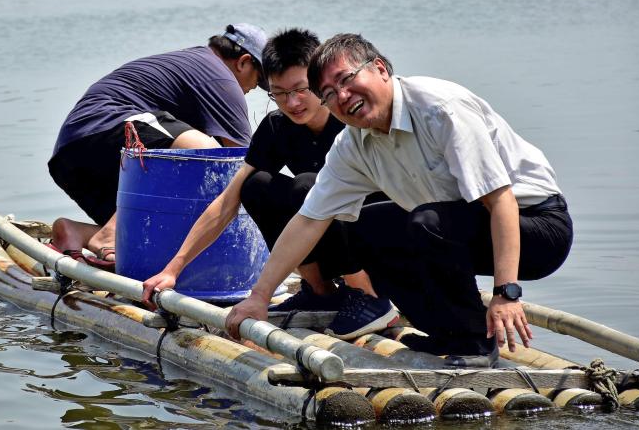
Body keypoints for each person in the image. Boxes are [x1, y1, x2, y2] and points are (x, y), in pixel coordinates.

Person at [225, 33, 573, 368]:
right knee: (365, 226)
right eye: (329, 93)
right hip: (460, 226)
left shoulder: (440, 108)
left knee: (428, 222)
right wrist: (259, 296)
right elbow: (308, 220)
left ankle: (474, 341)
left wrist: (505, 294)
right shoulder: (353, 143)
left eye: (347, 79)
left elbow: (501, 201)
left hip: (535, 228)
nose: (343, 96)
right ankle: (447, 332)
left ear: (379, 68)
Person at [142, 29, 399, 340]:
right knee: (256, 185)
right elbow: (228, 201)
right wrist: (173, 269)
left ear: (320, 80)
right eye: (279, 93)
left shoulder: (351, 116)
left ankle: (369, 295)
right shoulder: (277, 127)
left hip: (381, 238)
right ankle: (320, 292)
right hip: (329, 229)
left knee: (310, 186)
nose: (292, 103)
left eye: (301, 89)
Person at [47, 24, 268, 266]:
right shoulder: (220, 76)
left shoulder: (193, 63)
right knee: (204, 152)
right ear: (244, 62)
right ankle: (110, 234)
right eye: (257, 81)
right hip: (106, 128)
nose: (251, 89)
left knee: (153, 234)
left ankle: (77, 232)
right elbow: (246, 161)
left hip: (70, 157)